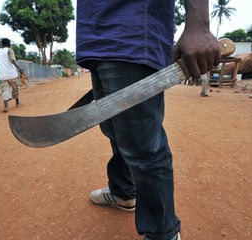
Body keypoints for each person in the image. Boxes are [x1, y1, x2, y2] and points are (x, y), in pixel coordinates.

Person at [76, 1, 221, 240]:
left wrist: (199, 24)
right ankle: (124, 192)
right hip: (95, 40)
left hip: (132, 33)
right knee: (114, 129)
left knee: (143, 145)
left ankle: (162, 233)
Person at [0, 38, 24, 112]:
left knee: (4, 90)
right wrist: (20, 68)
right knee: (15, 88)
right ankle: (17, 103)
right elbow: (12, 60)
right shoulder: (9, 50)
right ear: (9, 44)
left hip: (3, 75)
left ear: (2, 44)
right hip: (12, 74)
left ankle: (6, 107)